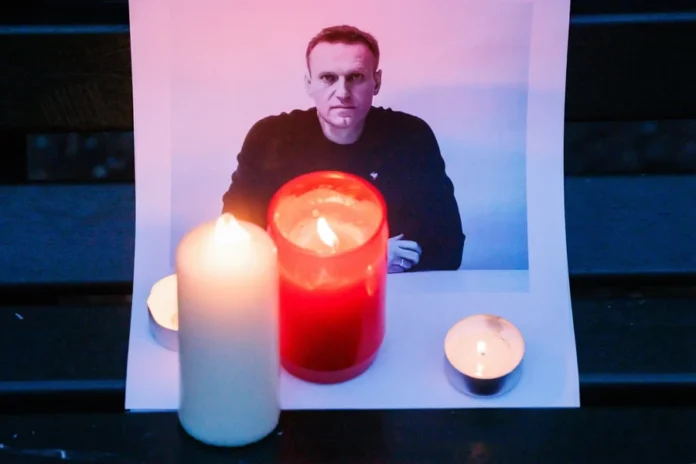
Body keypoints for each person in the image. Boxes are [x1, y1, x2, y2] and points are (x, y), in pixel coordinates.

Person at [222, 25, 464, 273]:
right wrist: (367, 258)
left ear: (376, 82)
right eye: (328, 78)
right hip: (296, 289)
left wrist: (301, 256)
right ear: (309, 84)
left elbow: (447, 247)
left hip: (393, 289)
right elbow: (239, 241)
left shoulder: (411, 137)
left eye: (355, 77)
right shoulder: (271, 139)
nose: (342, 93)